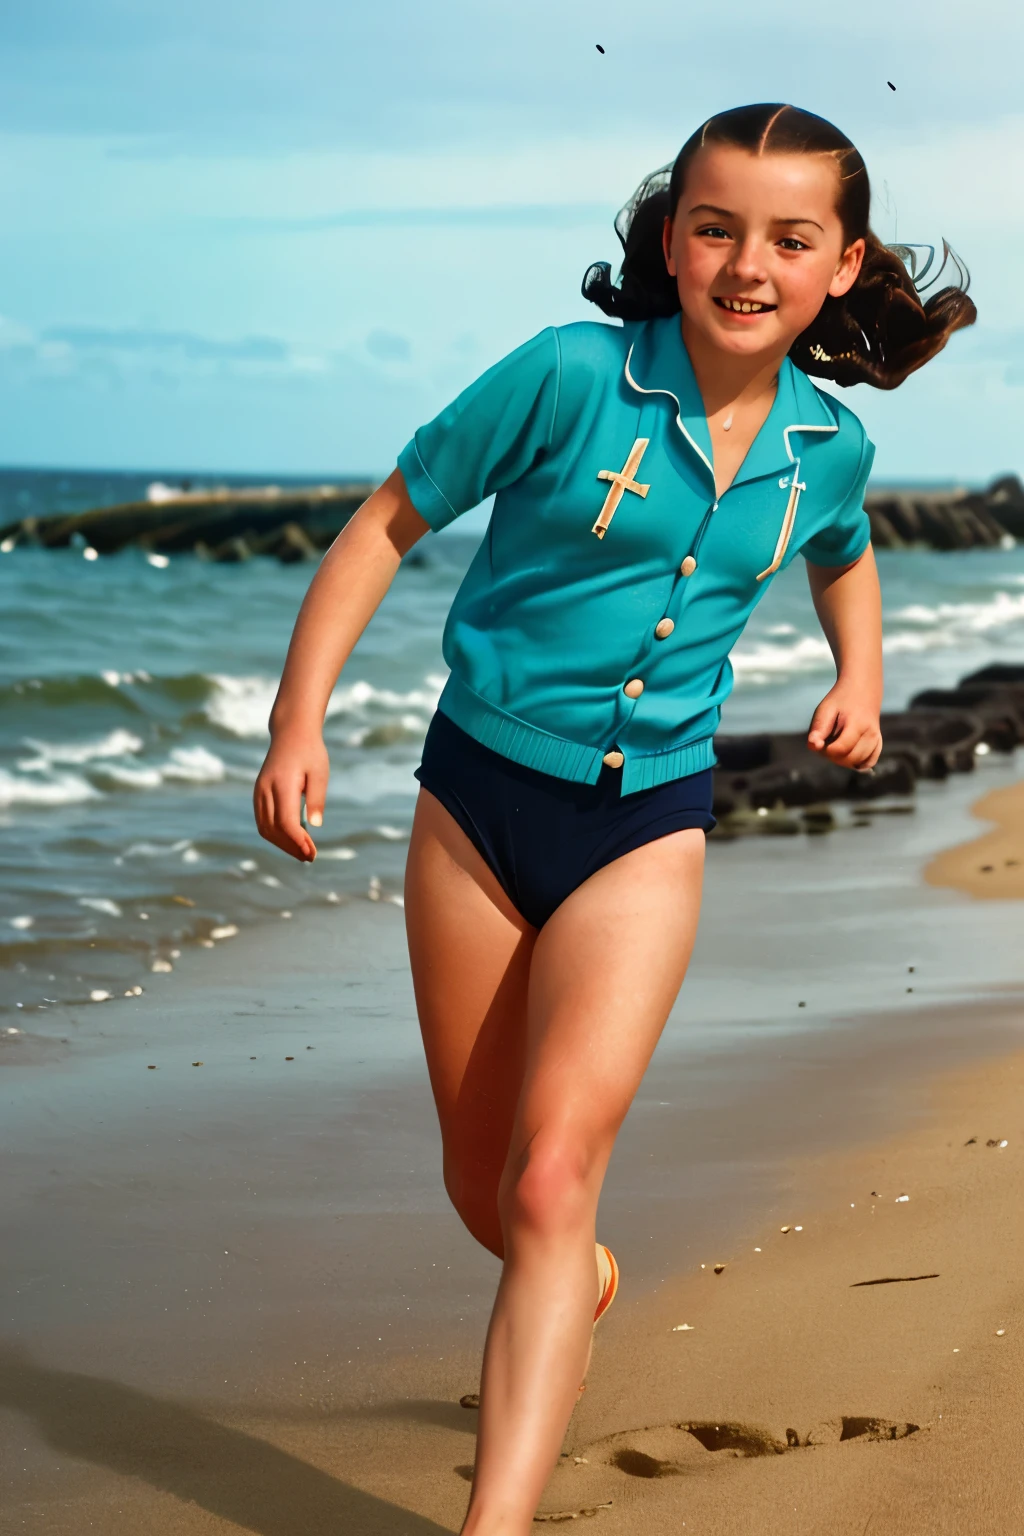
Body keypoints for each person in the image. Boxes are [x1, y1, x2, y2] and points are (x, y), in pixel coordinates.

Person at [254, 102, 975, 1534]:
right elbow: (385, 524)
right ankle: (572, 1281)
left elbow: (845, 552)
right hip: (476, 800)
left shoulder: (829, 444)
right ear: (671, 237)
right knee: (489, 1183)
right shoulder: (568, 375)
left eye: (790, 237)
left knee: (552, 1174)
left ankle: (494, 1521)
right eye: (715, 228)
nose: (746, 263)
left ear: (842, 265)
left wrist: (865, 673)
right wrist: (298, 719)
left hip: (646, 826)